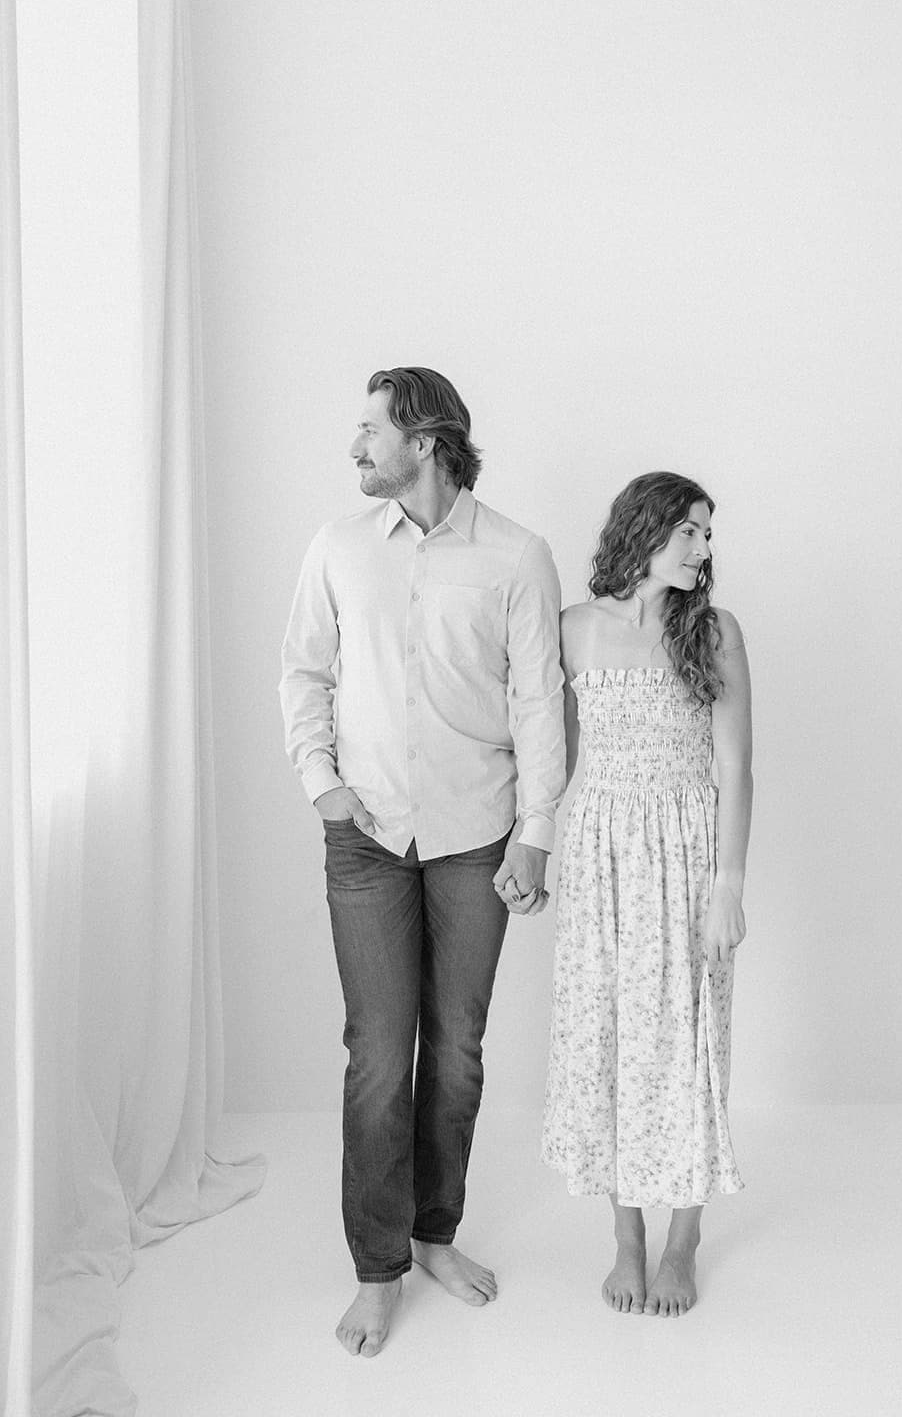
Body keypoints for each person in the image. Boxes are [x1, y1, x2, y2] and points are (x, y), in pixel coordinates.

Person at [280, 367, 565, 1358]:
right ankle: (376, 1269)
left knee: (454, 1051)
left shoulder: (516, 555)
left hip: (476, 835)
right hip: (364, 839)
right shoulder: (337, 548)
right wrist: (321, 785)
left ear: (427, 438)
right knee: (375, 1056)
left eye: (369, 430)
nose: (354, 447)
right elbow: (303, 672)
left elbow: (538, 699)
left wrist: (535, 830)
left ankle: (434, 1231)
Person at [541, 471, 751, 1317]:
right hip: (601, 855)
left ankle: (682, 1239)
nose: (703, 548)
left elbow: (735, 767)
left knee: (690, 1043)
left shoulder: (714, 632)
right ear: (645, 530)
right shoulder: (570, 631)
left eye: (707, 534)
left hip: (688, 850)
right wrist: (533, 850)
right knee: (605, 1041)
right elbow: (546, 759)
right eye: (690, 531)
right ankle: (625, 1237)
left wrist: (727, 884)